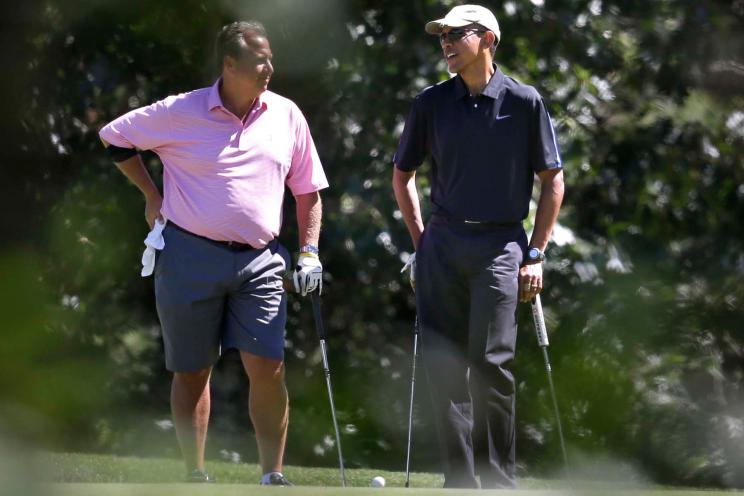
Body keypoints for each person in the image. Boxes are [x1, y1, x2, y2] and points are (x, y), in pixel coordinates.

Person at [99, 21, 328, 486]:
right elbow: (114, 136)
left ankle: (273, 475)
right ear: (229, 64)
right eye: (259, 59)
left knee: (269, 366)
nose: (269, 68)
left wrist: (309, 251)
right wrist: (151, 195)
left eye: (271, 58)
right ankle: (195, 473)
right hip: (189, 254)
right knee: (192, 370)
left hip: (262, 259)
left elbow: (308, 191)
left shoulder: (286, 114)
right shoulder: (182, 110)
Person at [392, 5, 565, 489]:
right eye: (441, 36)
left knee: (492, 365)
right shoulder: (431, 103)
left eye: (455, 35)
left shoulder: (524, 101)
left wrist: (535, 253)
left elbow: (552, 181)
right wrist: (421, 241)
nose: (445, 43)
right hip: (443, 242)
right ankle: (460, 481)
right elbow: (402, 175)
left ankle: (497, 480)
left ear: (487, 39)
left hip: (501, 245)